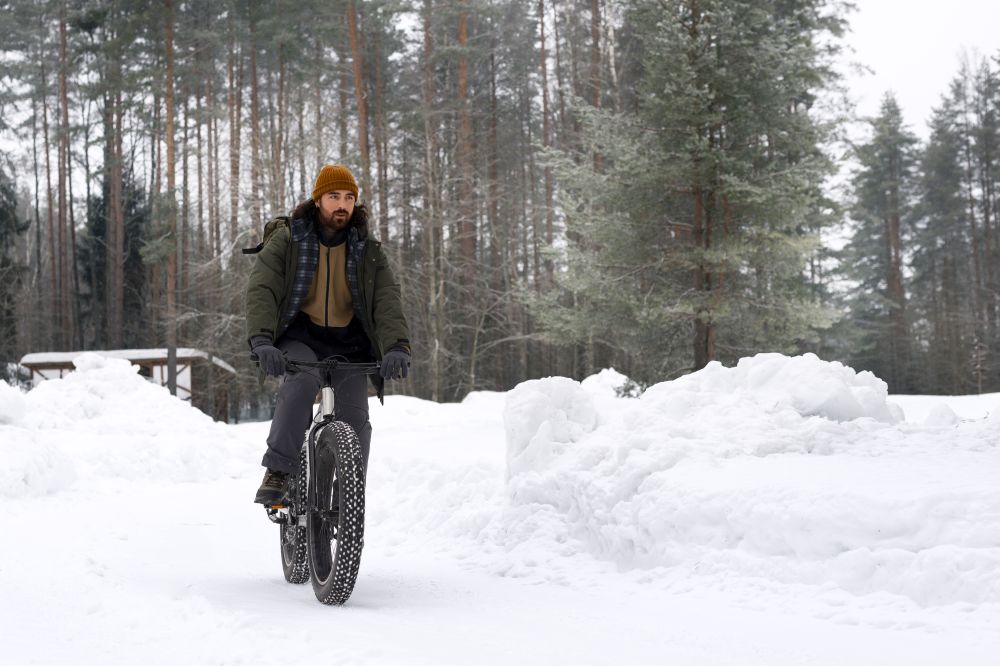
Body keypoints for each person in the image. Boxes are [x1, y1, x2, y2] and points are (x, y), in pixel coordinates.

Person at [245, 164, 410, 504]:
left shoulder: (367, 250)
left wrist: (396, 346)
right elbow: (263, 288)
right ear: (318, 199)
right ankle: (278, 470)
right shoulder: (289, 241)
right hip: (301, 335)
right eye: (334, 196)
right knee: (302, 383)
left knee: (355, 418)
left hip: (349, 343)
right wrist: (262, 341)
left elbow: (386, 300)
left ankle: (347, 495)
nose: (342, 204)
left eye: (349, 197)